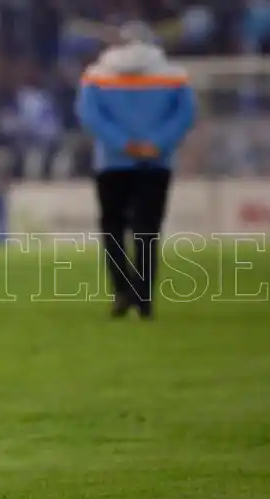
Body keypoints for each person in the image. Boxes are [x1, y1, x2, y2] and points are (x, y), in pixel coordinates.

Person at [75, 22, 197, 319]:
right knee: (147, 231)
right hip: (156, 162)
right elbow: (186, 115)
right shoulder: (174, 75)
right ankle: (144, 299)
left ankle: (121, 291)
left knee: (113, 228)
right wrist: (156, 144)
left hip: (112, 162)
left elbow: (90, 115)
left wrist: (123, 144)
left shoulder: (97, 74)